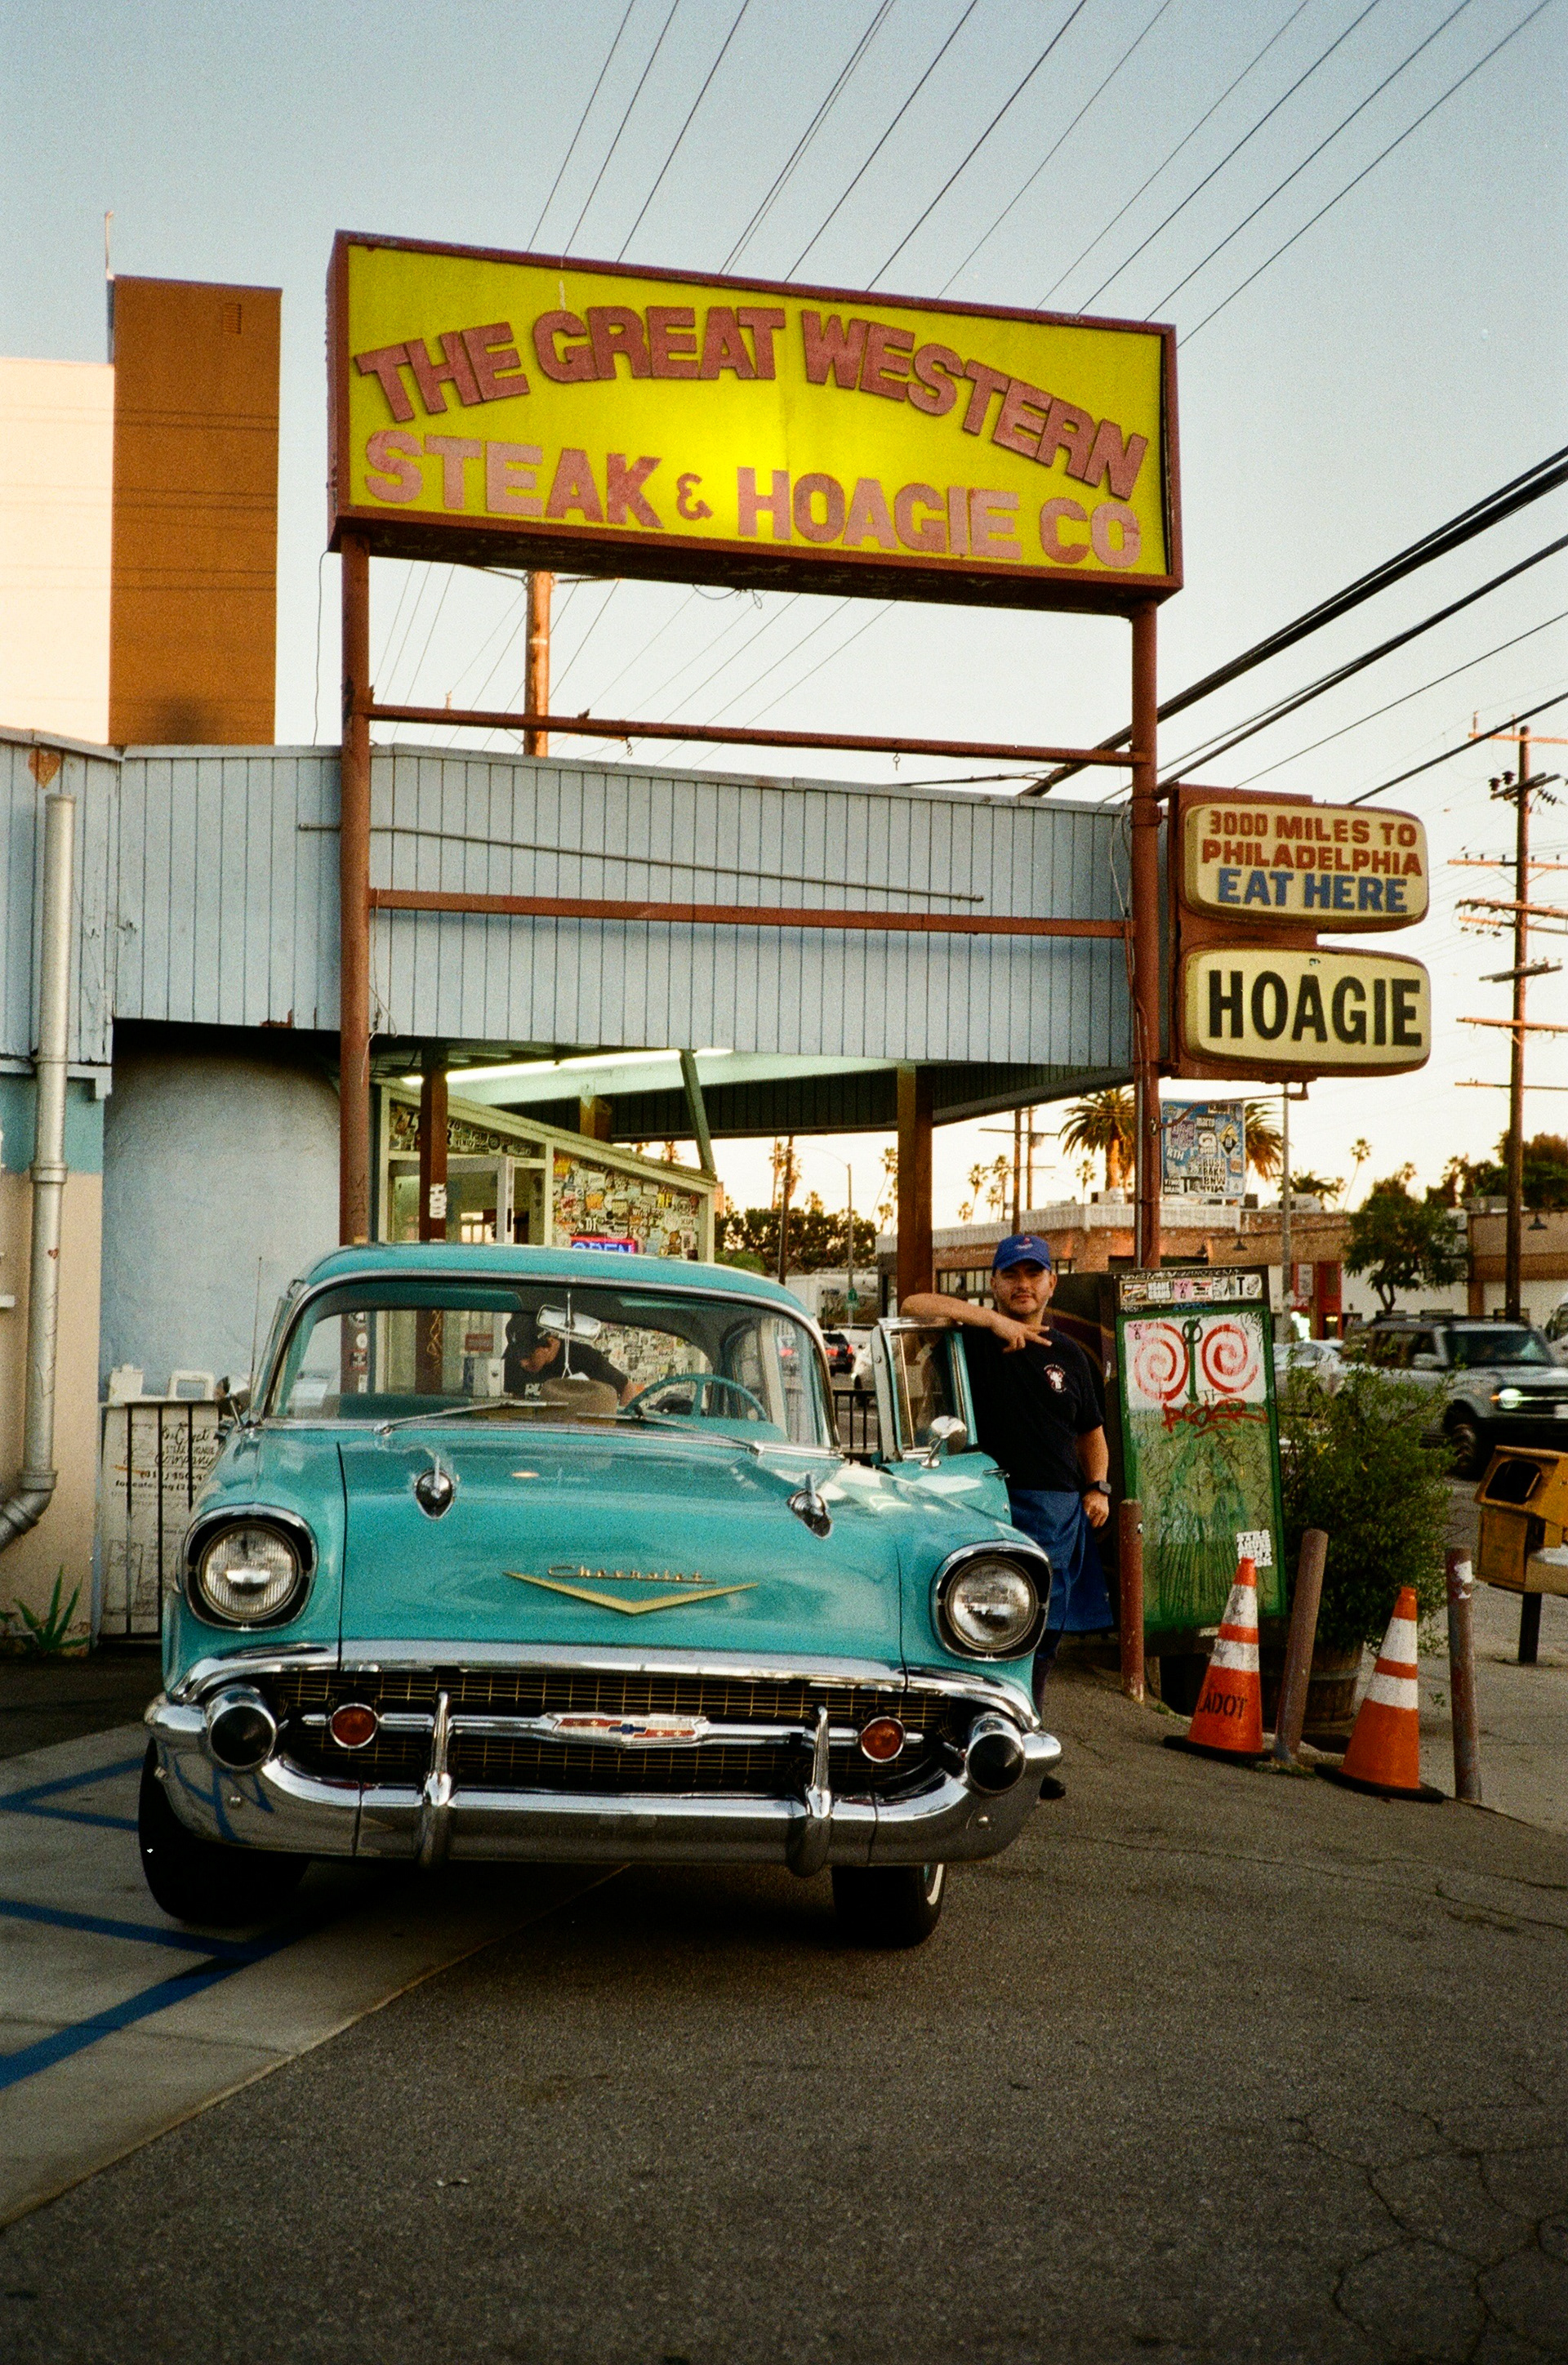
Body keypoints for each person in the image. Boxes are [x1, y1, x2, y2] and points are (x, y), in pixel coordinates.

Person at [901, 1235, 1112, 1711]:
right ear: (994, 1283)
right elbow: (915, 1302)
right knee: (972, 1625)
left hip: (1054, 1513)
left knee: (1040, 1635)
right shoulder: (969, 1339)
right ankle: (978, 1733)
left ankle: (1026, 1737)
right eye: (1012, 1275)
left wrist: (1097, 1487)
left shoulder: (1072, 1356)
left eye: (1033, 1274)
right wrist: (991, 1321)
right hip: (979, 1502)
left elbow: (1091, 1434)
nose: (1023, 1285)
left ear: (1051, 1284)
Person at [503, 1310, 632, 1405]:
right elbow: (515, 1403)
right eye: (517, 1354)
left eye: (528, 1355)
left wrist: (619, 1424)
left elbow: (627, 1387)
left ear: (550, 1343)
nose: (523, 1363)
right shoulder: (514, 1364)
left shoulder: (583, 1357)